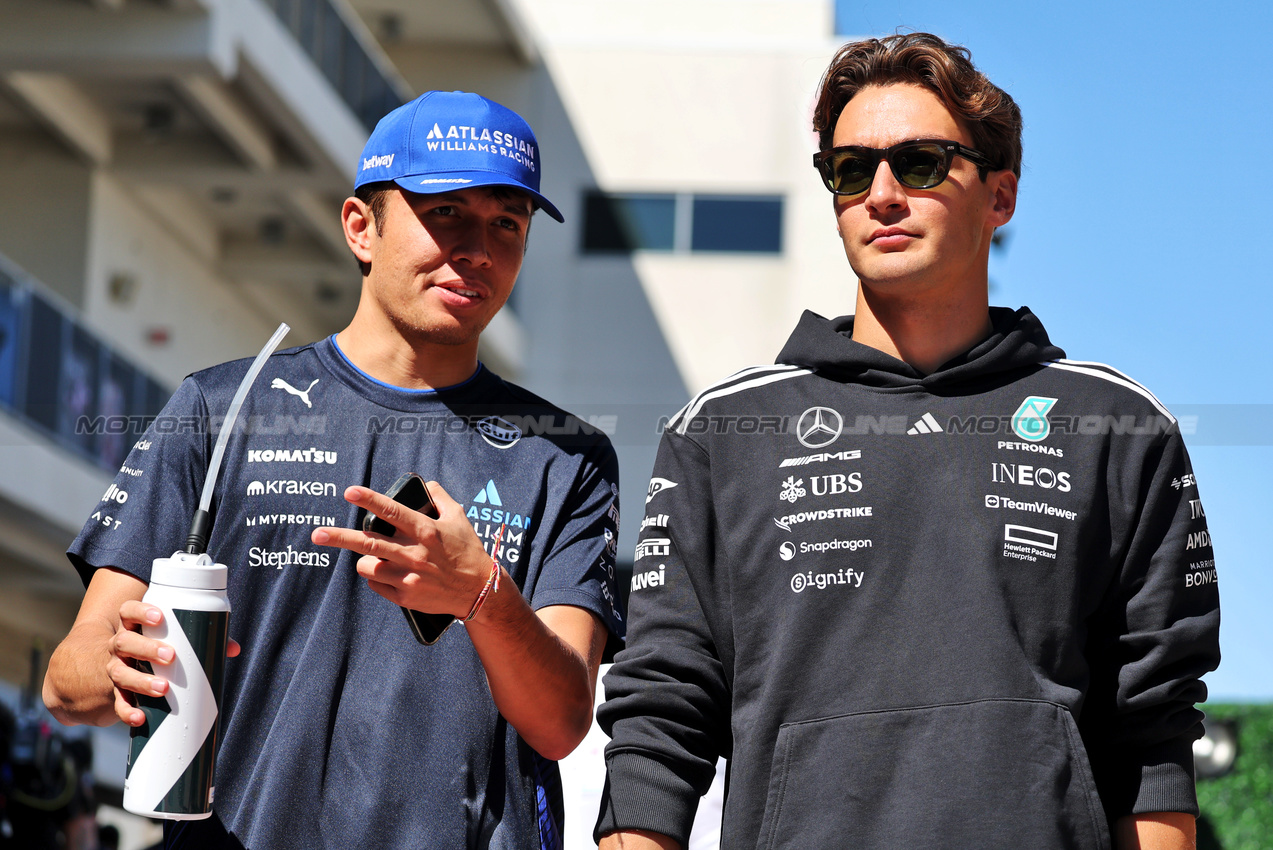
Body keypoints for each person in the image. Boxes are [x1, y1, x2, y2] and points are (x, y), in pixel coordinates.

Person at [595, 33, 1219, 850]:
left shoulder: (1118, 426)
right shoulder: (719, 431)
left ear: (1000, 197)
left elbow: (1153, 735)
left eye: (919, 164)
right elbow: (659, 718)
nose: (881, 194)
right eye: (851, 170)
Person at [43, 90, 624, 849]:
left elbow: (560, 723)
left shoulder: (565, 456)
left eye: (505, 224)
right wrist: (122, 671)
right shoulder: (223, 411)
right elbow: (67, 676)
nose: (477, 247)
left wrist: (481, 595)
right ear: (360, 227)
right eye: (444, 212)